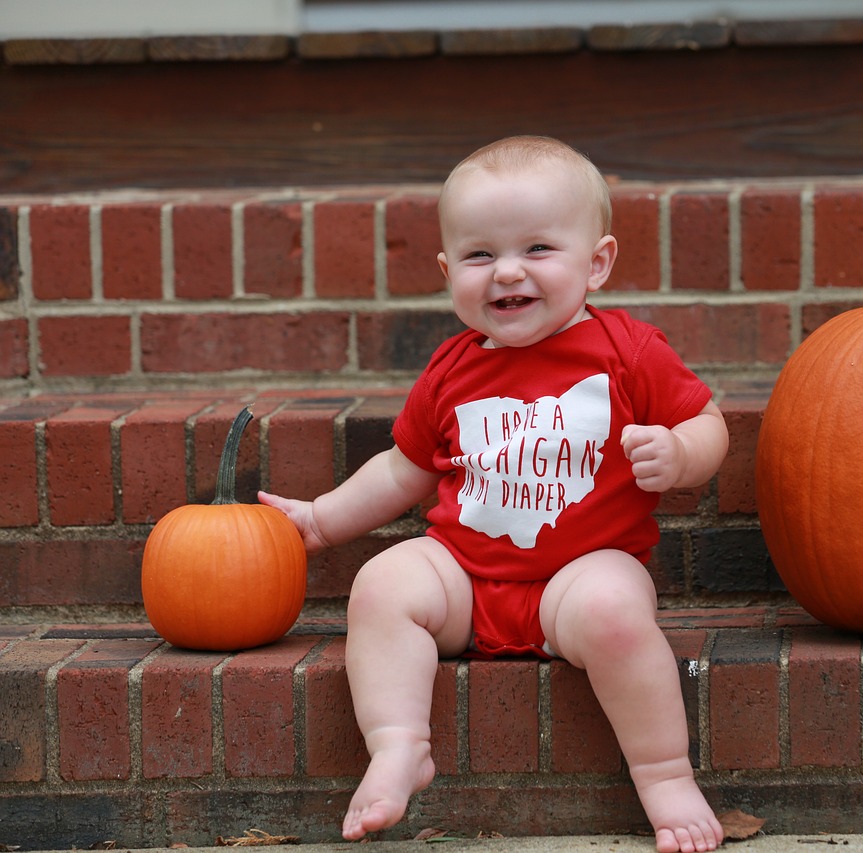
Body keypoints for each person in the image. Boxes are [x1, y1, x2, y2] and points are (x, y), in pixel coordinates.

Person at [259, 135, 728, 853]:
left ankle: (664, 773)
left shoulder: (627, 352)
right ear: (449, 271)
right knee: (383, 584)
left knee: (615, 609)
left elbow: (706, 419)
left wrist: (682, 452)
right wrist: (321, 522)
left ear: (596, 262)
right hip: (465, 578)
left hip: (578, 577)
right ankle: (397, 744)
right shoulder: (451, 369)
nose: (507, 270)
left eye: (539, 248)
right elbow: (402, 469)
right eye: (480, 255)